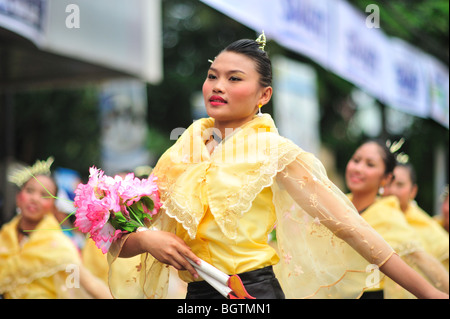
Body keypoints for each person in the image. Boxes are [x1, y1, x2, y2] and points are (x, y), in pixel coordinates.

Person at [108, 33, 448, 299]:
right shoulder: (181, 151)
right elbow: (119, 238)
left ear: (264, 95)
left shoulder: (276, 152)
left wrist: (429, 292)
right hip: (197, 295)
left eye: (234, 79)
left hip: (253, 292)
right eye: (213, 76)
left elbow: (351, 228)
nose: (218, 86)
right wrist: (149, 241)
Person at [345, 141, 449, 298]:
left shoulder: (388, 216)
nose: (358, 168)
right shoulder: (336, 202)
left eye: (370, 164)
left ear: (386, 178)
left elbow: (420, 259)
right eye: (356, 160)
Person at [0, 158, 111, 299]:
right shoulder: (4, 236)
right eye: (29, 191)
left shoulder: (60, 245)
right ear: (18, 197)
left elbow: (90, 284)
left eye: (44, 195)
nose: (35, 198)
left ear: (53, 206)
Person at [384, 163, 449, 271]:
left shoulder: (429, 229)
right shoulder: (366, 216)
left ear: (413, 191)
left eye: (399, 185)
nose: (392, 190)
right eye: (388, 183)